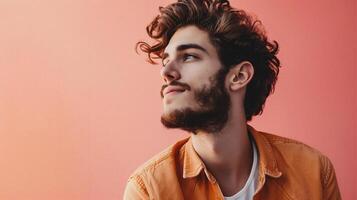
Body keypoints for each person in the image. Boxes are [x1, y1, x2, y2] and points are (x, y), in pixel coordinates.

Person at [123, 0, 341, 199]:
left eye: (189, 56)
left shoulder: (313, 172)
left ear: (239, 76)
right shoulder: (149, 189)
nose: (166, 72)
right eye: (165, 60)